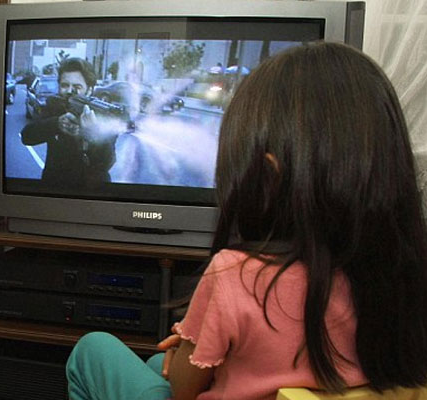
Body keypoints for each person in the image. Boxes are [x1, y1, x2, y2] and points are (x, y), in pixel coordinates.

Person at [66, 42, 427, 400]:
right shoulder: (402, 273)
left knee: (93, 349)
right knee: (151, 364)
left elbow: (181, 389)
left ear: (270, 177)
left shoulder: (236, 276)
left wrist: (187, 349)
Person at [21, 57, 120, 188]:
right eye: (64, 85)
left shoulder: (102, 114)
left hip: (93, 192)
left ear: (90, 89)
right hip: (55, 188)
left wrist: (93, 134)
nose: (69, 91)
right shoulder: (55, 106)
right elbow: (27, 136)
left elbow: (106, 163)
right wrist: (56, 123)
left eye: (77, 87)